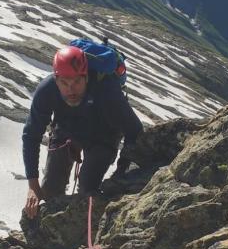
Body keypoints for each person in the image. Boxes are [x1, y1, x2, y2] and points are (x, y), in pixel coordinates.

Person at [22, 44, 143, 218]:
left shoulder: (106, 90)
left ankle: (84, 227)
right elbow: (31, 135)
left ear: (86, 76)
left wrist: (121, 173)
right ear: (56, 79)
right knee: (50, 189)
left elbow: (134, 131)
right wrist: (33, 186)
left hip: (103, 135)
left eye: (77, 81)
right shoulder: (47, 90)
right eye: (64, 83)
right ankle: (52, 230)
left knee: (87, 189)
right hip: (66, 129)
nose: (71, 89)